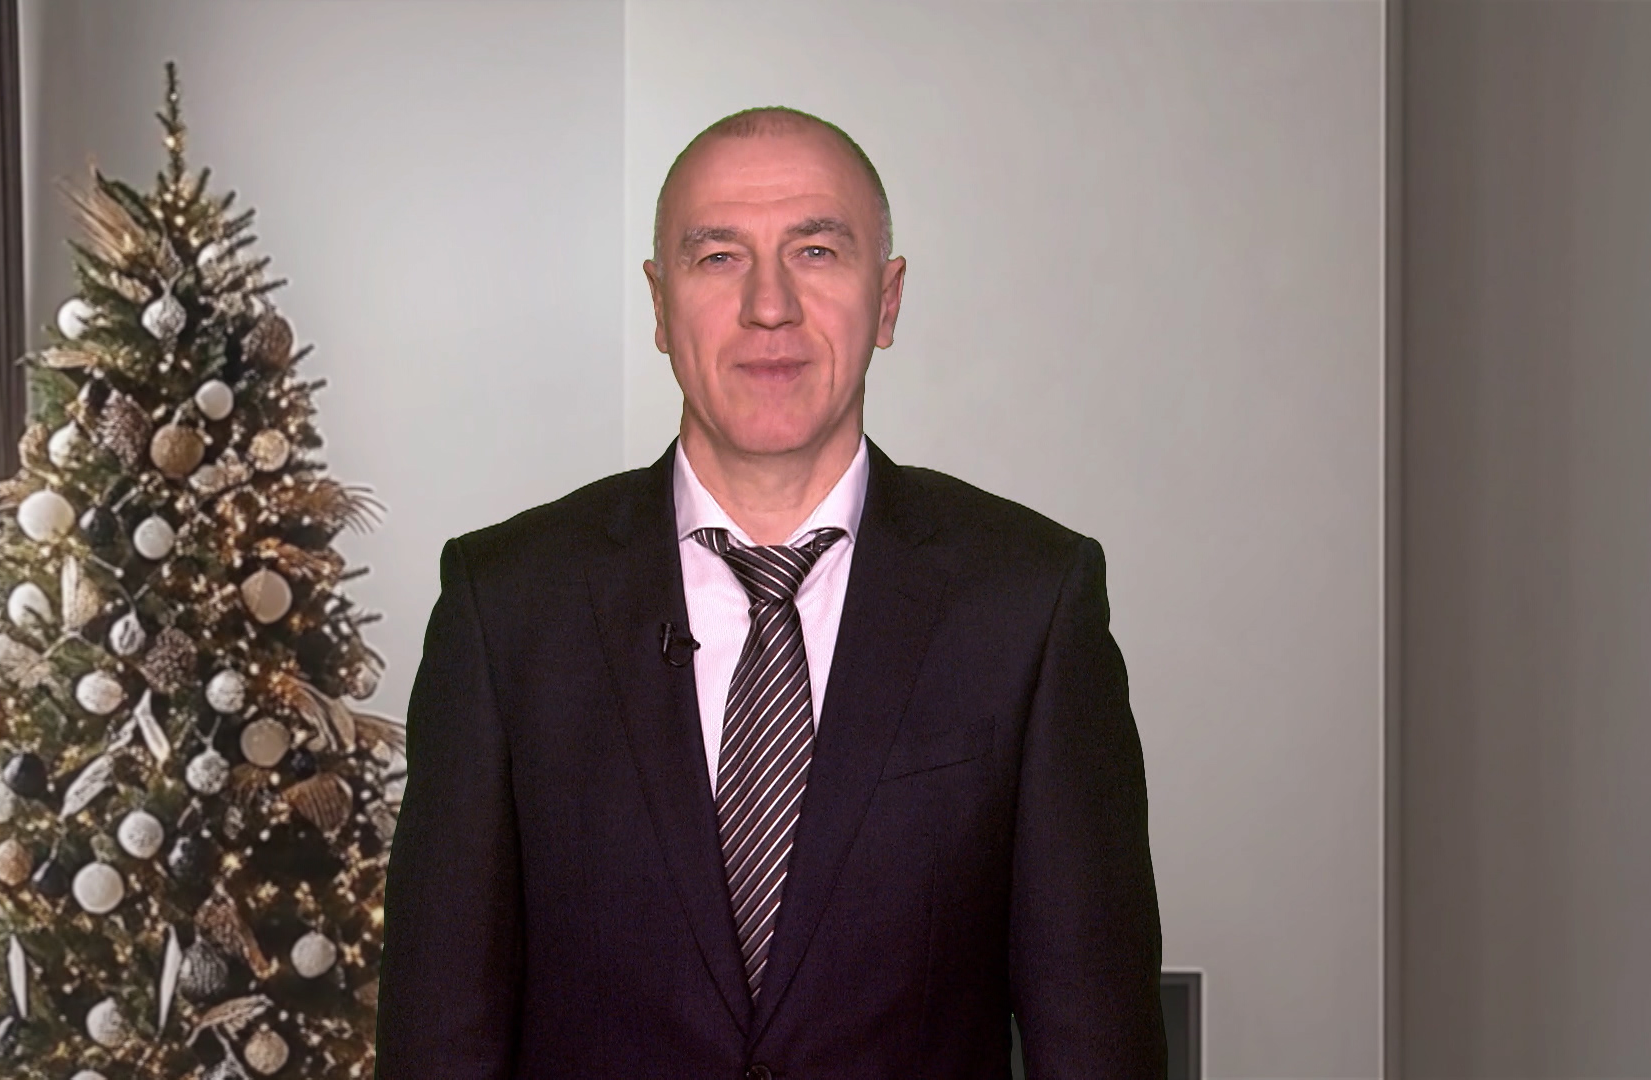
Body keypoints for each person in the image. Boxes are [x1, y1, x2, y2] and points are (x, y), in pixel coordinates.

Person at [379, 106, 1165, 1078]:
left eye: (816, 251)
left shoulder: (1031, 603)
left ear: (887, 299)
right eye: (718, 257)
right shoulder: (505, 606)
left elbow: (1096, 1041)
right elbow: (438, 1038)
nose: (768, 305)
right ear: (660, 305)